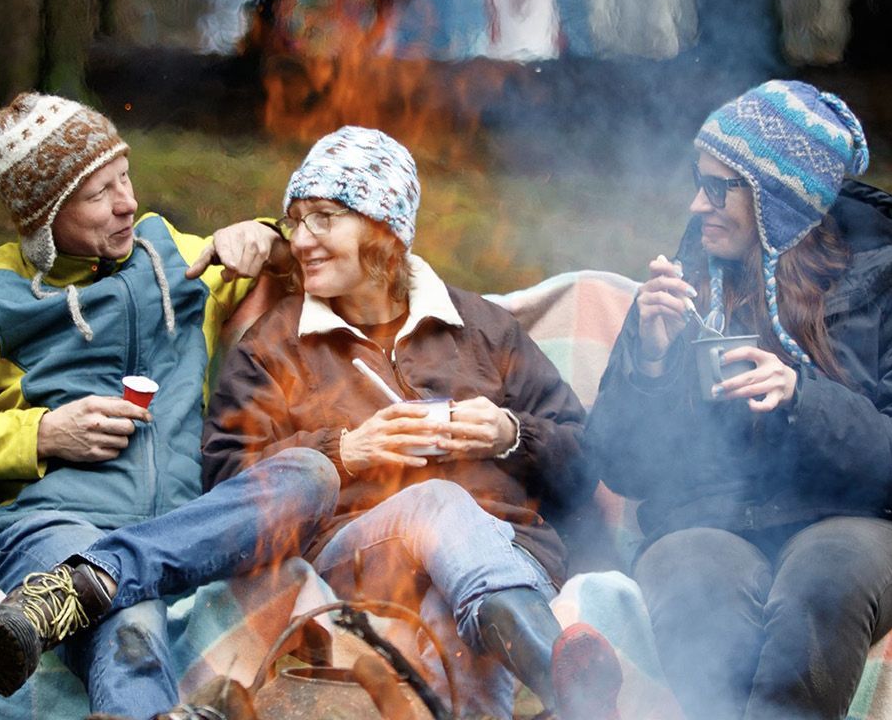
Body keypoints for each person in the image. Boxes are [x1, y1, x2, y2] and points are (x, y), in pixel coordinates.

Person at [0, 92, 340, 719]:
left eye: (125, 176)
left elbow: (306, 274)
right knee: (131, 618)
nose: (127, 202)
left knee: (312, 472)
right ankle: (93, 586)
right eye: (98, 193)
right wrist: (42, 434)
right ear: (43, 218)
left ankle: (97, 579)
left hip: (189, 527)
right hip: (49, 527)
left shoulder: (171, 255)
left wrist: (267, 239)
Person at [201, 125, 624, 719]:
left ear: (383, 228)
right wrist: (343, 452)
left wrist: (512, 434)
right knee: (434, 502)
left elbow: (586, 463)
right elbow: (226, 485)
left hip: (509, 553)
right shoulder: (274, 346)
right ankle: (570, 690)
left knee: (453, 625)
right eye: (295, 221)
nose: (300, 240)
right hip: (356, 555)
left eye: (324, 218)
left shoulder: (482, 329)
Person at [584, 79, 892, 720]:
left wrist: (803, 399)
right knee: (695, 582)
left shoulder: (890, 284)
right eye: (697, 182)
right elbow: (622, 468)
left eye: (717, 187)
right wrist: (649, 360)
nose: (695, 204)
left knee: (825, 579)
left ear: (776, 198)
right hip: (708, 519)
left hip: (853, 522)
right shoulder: (686, 280)